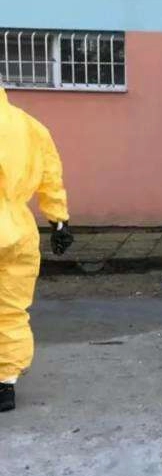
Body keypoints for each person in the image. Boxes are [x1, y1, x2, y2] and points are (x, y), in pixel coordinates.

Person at [0, 81, 73, 412]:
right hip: (17, 231)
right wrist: (59, 221)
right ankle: (5, 384)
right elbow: (50, 177)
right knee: (11, 308)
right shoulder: (31, 127)